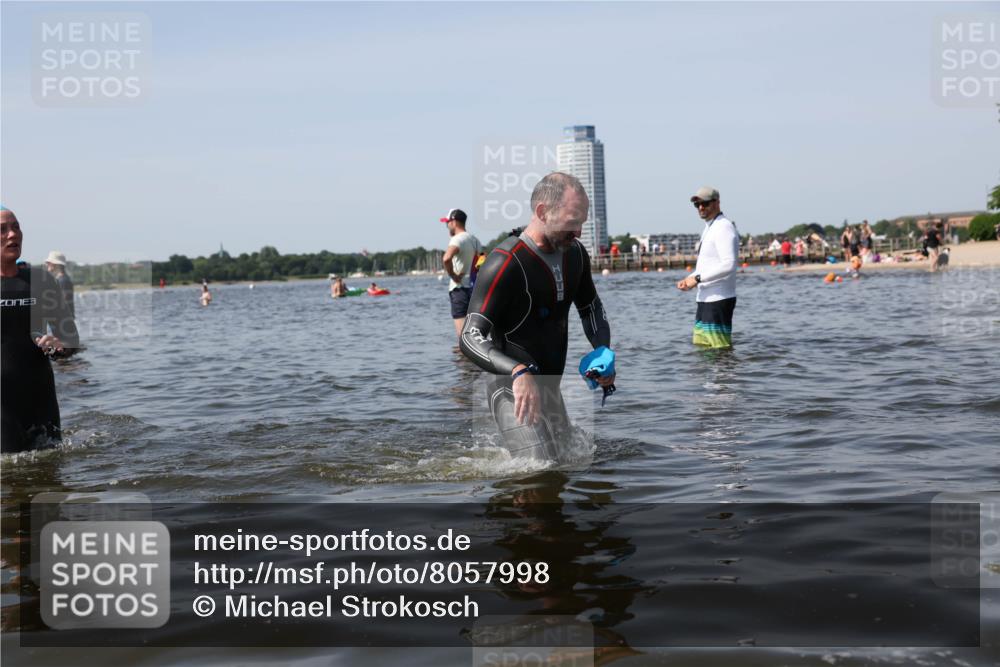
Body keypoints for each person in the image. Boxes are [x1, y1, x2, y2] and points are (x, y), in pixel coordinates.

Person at [460, 173, 615, 461]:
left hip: (549, 389)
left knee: (571, 464)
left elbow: (591, 307)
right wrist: (517, 371)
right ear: (543, 212)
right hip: (511, 390)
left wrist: (602, 350)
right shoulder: (505, 262)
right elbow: (470, 336)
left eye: (583, 222)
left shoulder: (576, 255)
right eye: (573, 221)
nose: (579, 231)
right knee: (539, 472)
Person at [1, 208, 80, 453]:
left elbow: (71, 340)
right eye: (2, 229)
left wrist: (59, 347)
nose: (12, 234)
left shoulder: (41, 281)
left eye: (16, 227)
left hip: (41, 399)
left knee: (52, 482)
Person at [677, 187, 739, 349]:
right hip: (704, 299)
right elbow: (707, 265)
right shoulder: (709, 227)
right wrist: (690, 278)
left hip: (718, 299)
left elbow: (729, 264)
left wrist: (697, 279)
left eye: (705, 203)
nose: (701, 208)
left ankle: (727, 375)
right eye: (697, 205)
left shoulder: (724, 227)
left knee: (720, 352)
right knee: (703, 350)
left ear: (717, 202)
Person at [440, 208, 482, 338]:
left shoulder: (457, 239)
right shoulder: (475, 240)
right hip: (475, 290)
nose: (447, 226)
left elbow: (446, 258)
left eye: (447, 222)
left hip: (460, 290)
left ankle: (462, 358)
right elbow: (481, 263)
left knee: (463, 336)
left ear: (454, 222)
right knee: (476, 335)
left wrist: (452, 275)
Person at [45, 251, 75, 319]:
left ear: (56, 264)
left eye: (49, 262)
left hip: (64, 320)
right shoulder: (62, 279)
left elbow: (63, 303)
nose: (47, 264)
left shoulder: (63, 281)